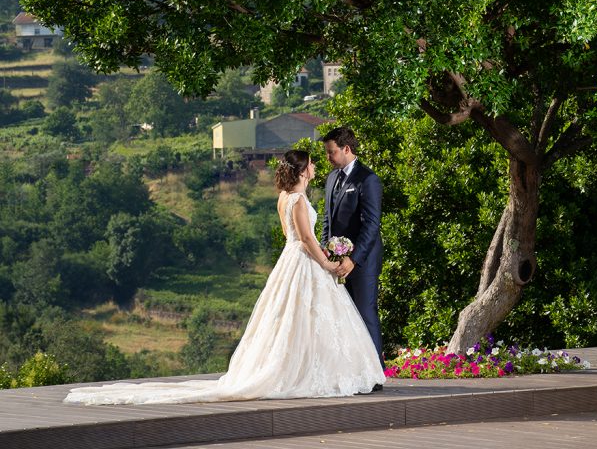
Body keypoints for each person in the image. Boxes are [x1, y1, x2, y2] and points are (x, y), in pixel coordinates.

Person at [64, 150, 384, 405]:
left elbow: (290, 236)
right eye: (312, 164)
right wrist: (328, 264)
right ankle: (311, 372)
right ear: (302, 171)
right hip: (303, 262)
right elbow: (305, 240)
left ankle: (312, 367)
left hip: (291, 261)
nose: (316, 168)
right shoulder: (298, 200)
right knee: (308, 317)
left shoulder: (283, 198)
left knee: (294, 319)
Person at [321, 126, 384, 370]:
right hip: (336, 263)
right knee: (342, 318)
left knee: (365, 314)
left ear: (346, 149)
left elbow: (371, 224)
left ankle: (375, 372)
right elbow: (328, 220)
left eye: (331, 152)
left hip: (363, 262)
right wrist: (328, 252)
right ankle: (352, 371)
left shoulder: (368, 179)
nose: (328, 157)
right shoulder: (331, 179)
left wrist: (353, 259)